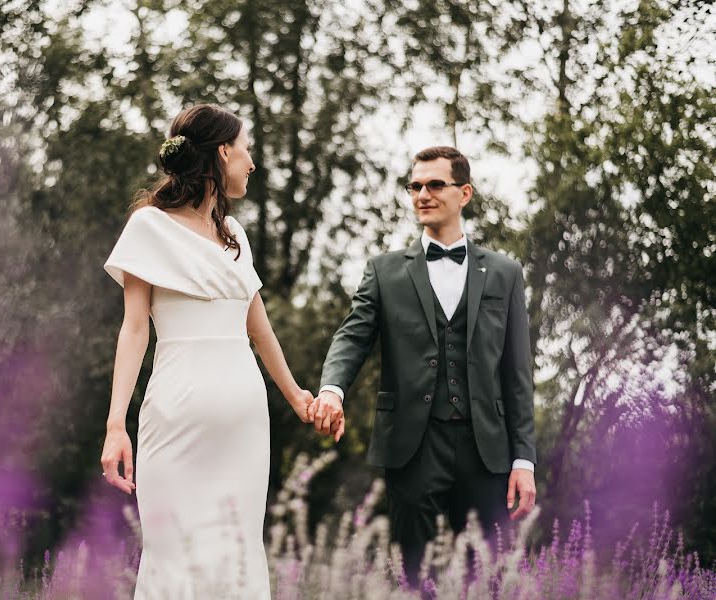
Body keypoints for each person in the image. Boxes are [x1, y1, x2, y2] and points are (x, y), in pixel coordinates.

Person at [99, 104, 313, 599]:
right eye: (246, 149)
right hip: (178, 412)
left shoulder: (234, 236)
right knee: (174, 553)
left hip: (243, 418)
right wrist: (115, 426)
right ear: (222, 152)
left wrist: (297, 395)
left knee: (237, 554)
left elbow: (259, 330)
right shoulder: (148, 226)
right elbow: (134, 331)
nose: (252, 162)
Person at [311, 146, 537, 580]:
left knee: (485, 579)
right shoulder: (385, 270)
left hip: (486, 451)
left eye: (435, 184)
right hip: (412, 448)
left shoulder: (505, 273)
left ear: (464, 193)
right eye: (415, 186)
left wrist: (523, 460)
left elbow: (517, 374)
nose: (422, 194)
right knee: (412, 578)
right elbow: (353, 336)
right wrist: (332, 390)